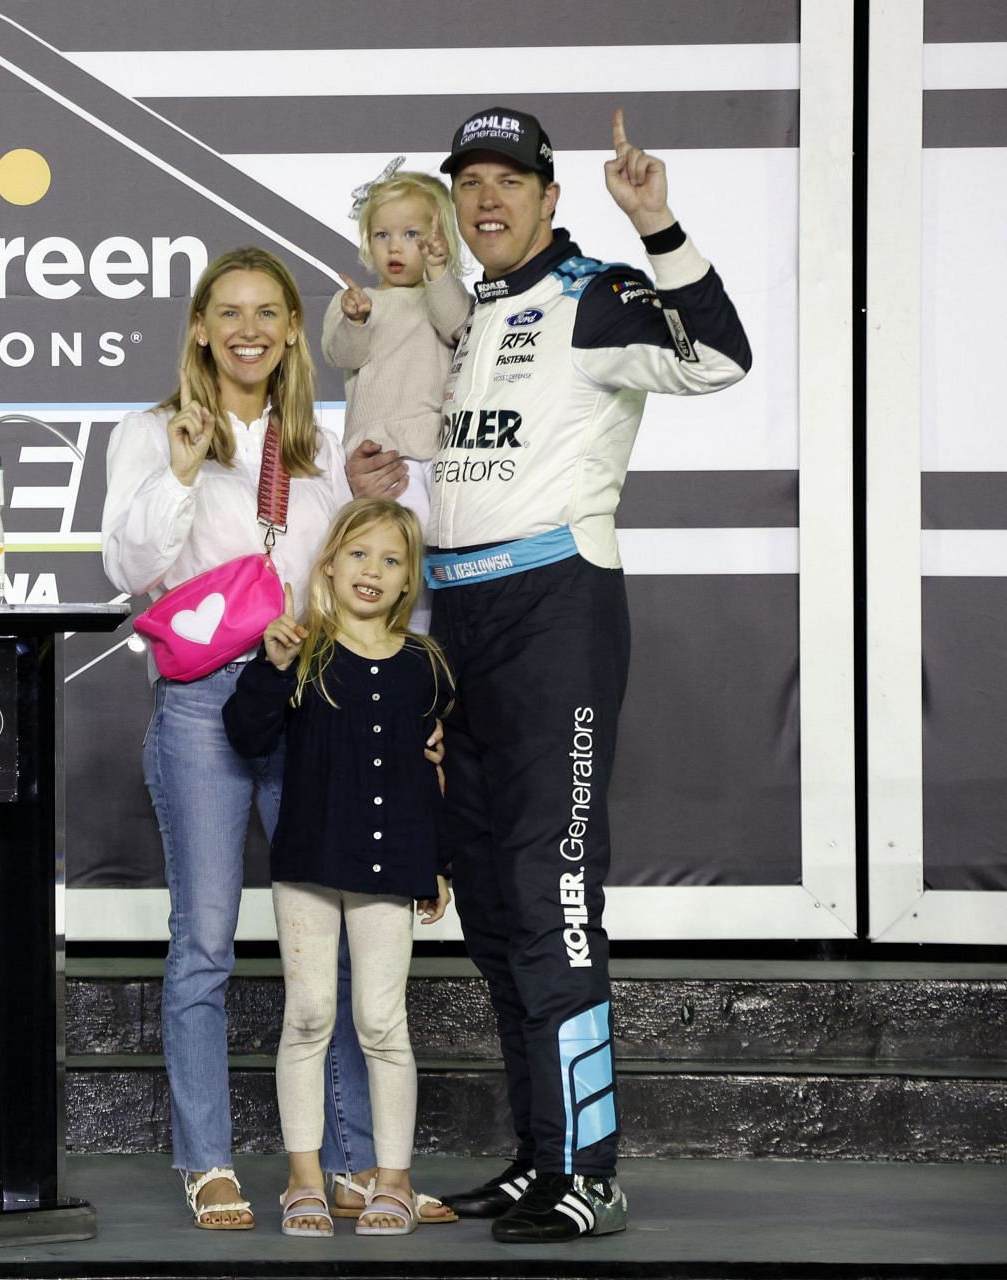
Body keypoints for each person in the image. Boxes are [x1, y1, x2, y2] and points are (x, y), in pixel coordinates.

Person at [354, 106, 750, 1243]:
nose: (487, 200)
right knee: (492, 901)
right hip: (463, 612)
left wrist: (659, 220)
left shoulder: (600, 292)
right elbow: (490, 454)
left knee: (556, 894)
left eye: (509, 182)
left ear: (549, 196)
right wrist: (401, 468)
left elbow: (721, 357)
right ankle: (541, 1155)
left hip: (556, 611)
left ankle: (593, 1169)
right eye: (470, 182)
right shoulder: (467, 313)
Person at [101, 246, 439, 1229]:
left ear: (294, 330)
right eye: (228, 312)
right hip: (208, 707)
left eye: (268, 313)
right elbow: (129, 567)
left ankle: (340, 1159)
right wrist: (177, 469)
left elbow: (372, 582)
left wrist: (392, 494)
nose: (248, 329)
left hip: (317, 707)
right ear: (201, 327)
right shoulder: (149, 430)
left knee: (326, 951)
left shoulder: (327, 449)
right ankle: (206, 1158)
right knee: (204, 943)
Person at [220, 497, 457, 1237]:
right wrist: (272, 666)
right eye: (359, 554)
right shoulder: (306, 653)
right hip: (311, 864)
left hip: (392, 867)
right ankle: (304, 1181)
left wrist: (436, 866)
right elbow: (246, 734)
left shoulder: (427, 666)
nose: (373, 571)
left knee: (382, 1021)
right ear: (328, 563)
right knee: (312, 1015)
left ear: (409, 580)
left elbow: (435, 775)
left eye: (391, 561)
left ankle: (393, 1180)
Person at [322, 160, 473, 624]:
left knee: (440, 565)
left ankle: (430, 648)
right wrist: (356, 319)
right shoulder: (360, 302)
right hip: (384, 461)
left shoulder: (444, 295)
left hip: (438, 454)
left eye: (411, 235)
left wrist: (439, 273)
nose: (395, 247)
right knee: (389, 563)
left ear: (438, 238)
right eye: (382, 235)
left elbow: (457, 326)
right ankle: (395, 643)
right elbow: (342, 354)